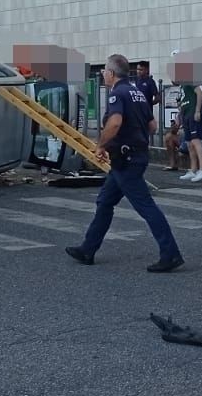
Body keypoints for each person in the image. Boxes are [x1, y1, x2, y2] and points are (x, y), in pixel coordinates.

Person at [66, 55, 185, 272]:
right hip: (132, 156)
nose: (103, 74)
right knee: (105, 201)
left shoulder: (117, 94)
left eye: (104, 71)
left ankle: (171, 254)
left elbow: (115, 122)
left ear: (111, 73)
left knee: (146, 206)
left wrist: (101, 145)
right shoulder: (137, 93)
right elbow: (152, 126)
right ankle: (88, 249)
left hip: (126, 160)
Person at [179, 81, 202, 182]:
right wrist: (179, 115)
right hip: (186, 114)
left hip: (192, 113)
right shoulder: (182, 85)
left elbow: (200, 93)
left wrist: (197, 111)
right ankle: (193, 169)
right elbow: (183, 101)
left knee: (195, 141)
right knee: (189, 143)